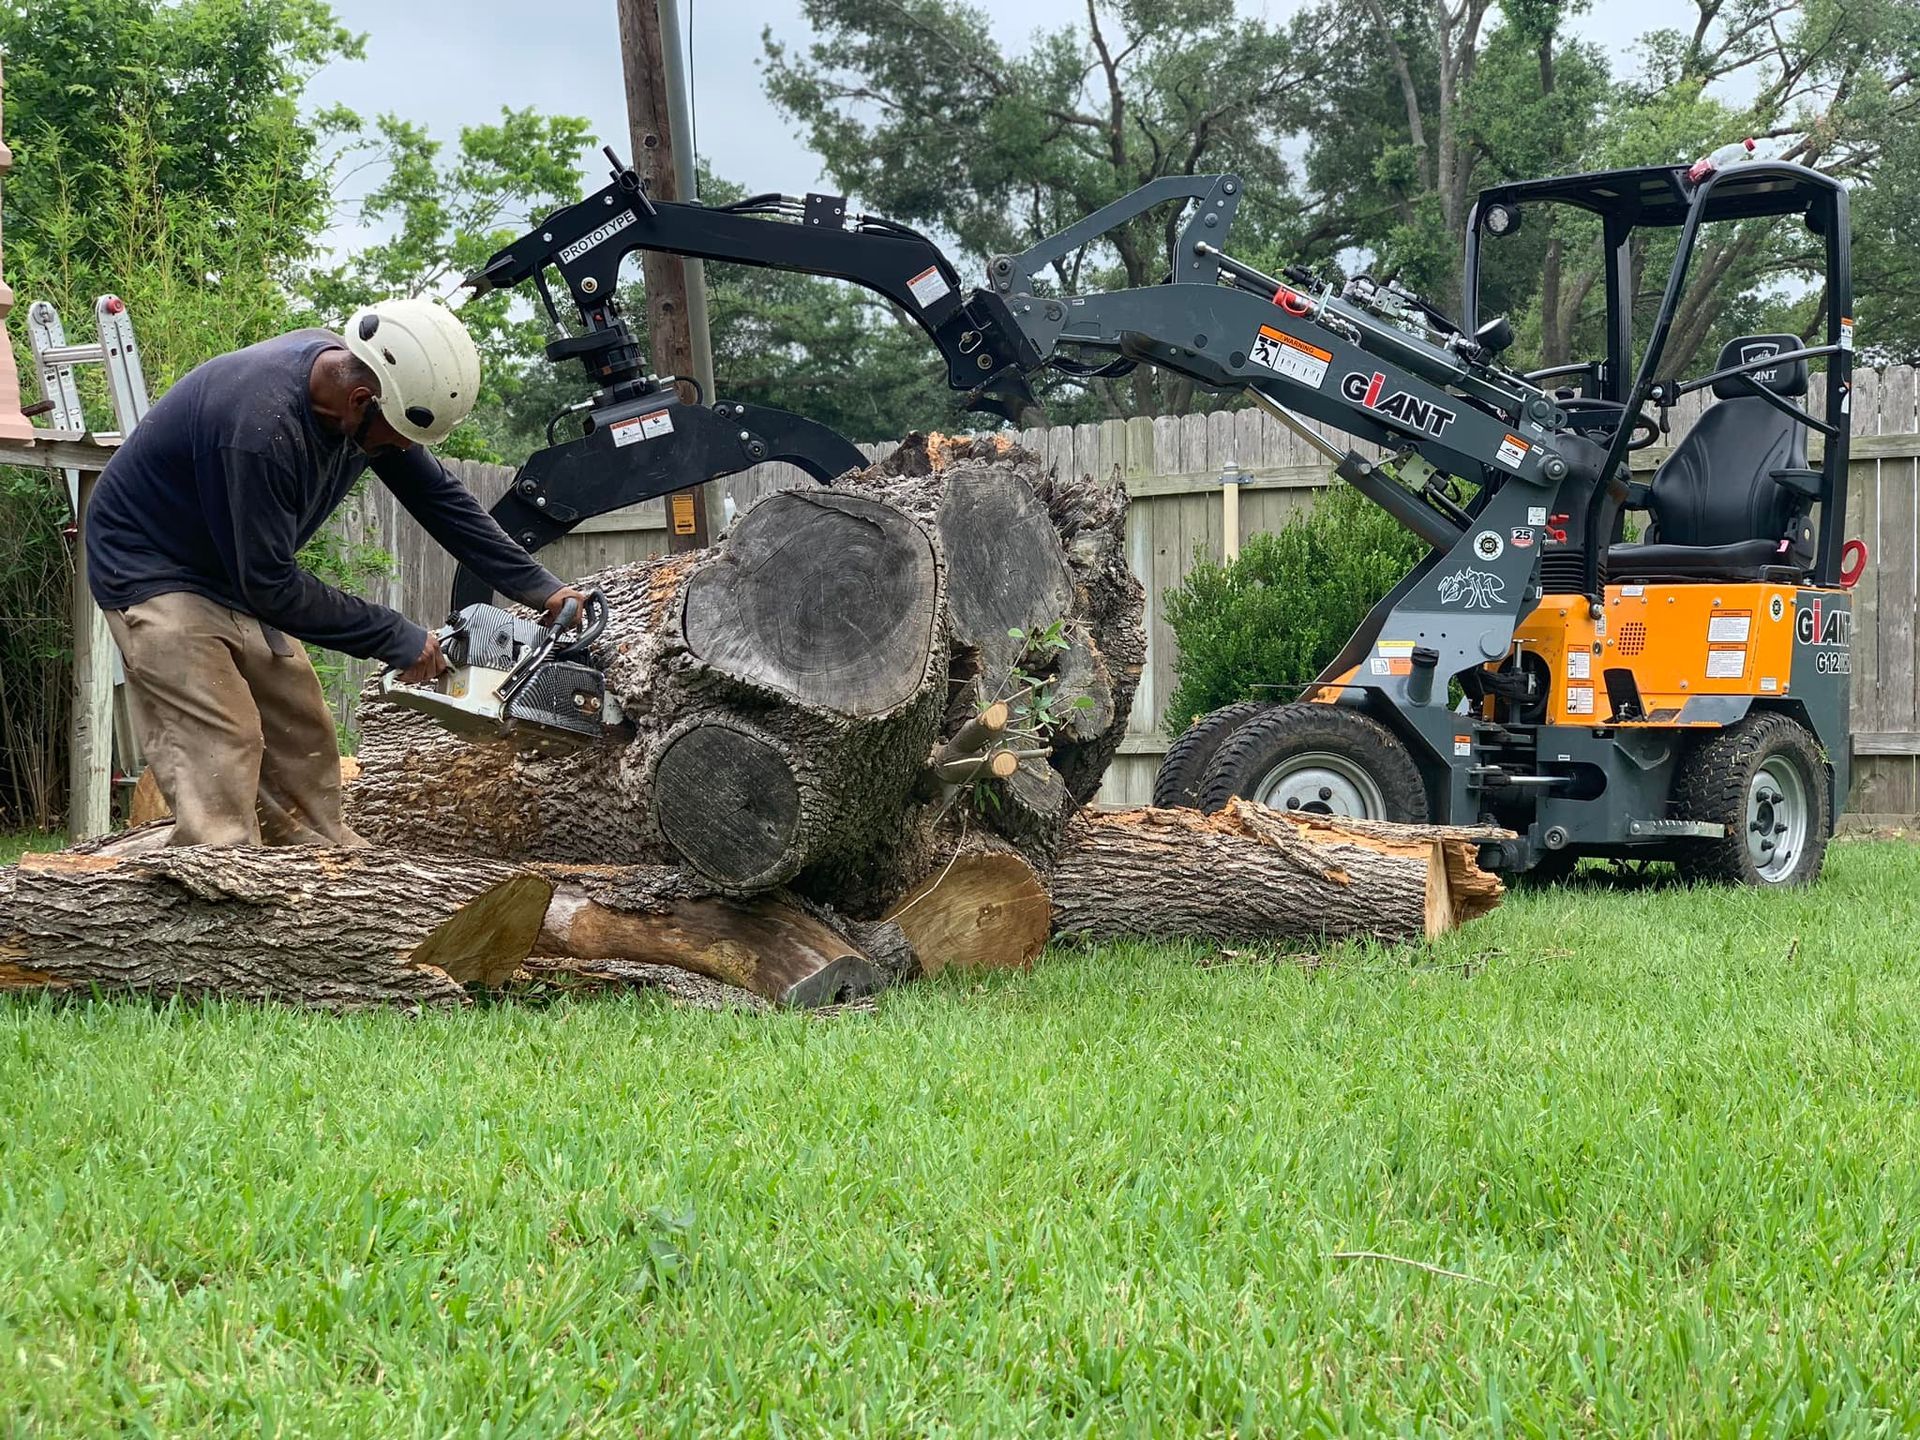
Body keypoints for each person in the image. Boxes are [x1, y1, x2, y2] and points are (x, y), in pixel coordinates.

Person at [85, 298, 590, 847]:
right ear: (359, 400)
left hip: (238, 567)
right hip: (153, 569)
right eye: (397, 434)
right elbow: (271, 584)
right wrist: (395, 637)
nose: (401, 448)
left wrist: (541, 588)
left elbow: (439, 499)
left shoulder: (366, 397)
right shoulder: (260, 428)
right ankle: (219, 878)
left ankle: (324, 883)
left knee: (302, 732)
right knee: (223, 744)